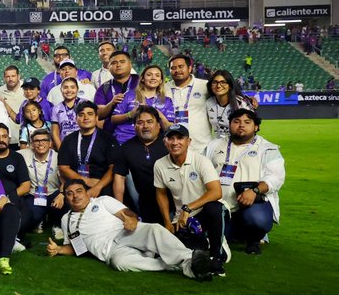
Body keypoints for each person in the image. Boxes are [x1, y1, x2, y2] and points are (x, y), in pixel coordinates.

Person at [47, 179, 216, 280]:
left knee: (154, 229)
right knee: (120, 263)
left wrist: (131, 219)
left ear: (87, 192)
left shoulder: (102, 201)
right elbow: (76, 247)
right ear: (66, 198)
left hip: (124, 232)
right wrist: (59, 249)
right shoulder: (66, 219)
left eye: (79, 191)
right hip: (111, 251)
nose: (75, 196)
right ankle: (187, 266)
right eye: (69, 193)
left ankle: (191, 258)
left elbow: (125, 212)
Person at [203, 109, 284, 255]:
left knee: (257, 219)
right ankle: (233, 232)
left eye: (247, 122)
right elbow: (201, 170)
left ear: (256, 127)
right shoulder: (214, 146)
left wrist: (255, 191)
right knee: (210, 239)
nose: (241, 125)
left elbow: (276, 177)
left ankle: (253, 240)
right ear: (229, 124)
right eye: (236, 121)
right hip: (219, 203)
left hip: (252, 203)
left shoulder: (267, 148)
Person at [153, 124, 227, 273]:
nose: (175, 142)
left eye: (180, 138)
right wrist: (167, 222)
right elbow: (161, 193)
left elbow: (216, 192)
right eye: (171, 138)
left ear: (189, 141)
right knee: (172, 255)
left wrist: (188, 208)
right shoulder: (160, 164)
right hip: (182, 219)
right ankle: (202, 243)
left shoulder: (201, 161)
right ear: (165, 142)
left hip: (204, 212)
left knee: (215, 208)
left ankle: (216, 255)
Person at [111, 106, 169, 223]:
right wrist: (120, 209)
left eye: (150, 122)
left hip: (174, 203)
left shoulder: (169, 143)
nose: (145, 126)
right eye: (140, 123)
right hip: (145, 205)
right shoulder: (126, 148)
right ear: (135, 126)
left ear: (158, 124)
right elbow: (119, 177)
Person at [57, 102, 116, 198]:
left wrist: (98, 187)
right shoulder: (68, 140)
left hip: (102, 184)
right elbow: (63, 167)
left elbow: (113, 168)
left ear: (96, 118)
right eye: (81, 115)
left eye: (90, 114)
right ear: (76, 119)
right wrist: (85, 180)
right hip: (76, 184)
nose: (86, 118)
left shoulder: (108, 139)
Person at [112, 66, 174, 143]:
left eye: (157, 75)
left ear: (161, 81)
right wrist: (130, 115)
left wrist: (159, 115)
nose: (153, 78)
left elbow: (169, 129)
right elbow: (113, 119)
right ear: (142, 79)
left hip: (152, 142)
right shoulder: (129, 95)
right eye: (149, 75)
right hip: (125, 139)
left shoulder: (166, 101)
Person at [22, 129, 63, 233]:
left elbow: (66, 180)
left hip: (54, 193)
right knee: (30, 217)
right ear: (32, 144)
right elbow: (6, 153)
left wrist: (62, 194)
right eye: (37, 141)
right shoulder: (24, 154)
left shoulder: (58, 157)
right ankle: (39, 219)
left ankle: (57, 224)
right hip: (34, 194)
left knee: (64, 204)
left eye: (44, 140)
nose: (40, 143)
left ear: (50, 143)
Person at [166, 54, 211, 147]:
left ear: (190, 68)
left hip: (201, 146)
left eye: (181, 67)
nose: (177, 70)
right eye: (173, 68)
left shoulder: (205, 86)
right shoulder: (164, 89)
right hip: (174, 145)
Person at [204, 70, 258, 141]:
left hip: (240, 144)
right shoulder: (208, 102)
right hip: (220, 144)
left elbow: (252, 127)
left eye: (223, 82)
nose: (218, 85)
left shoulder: (241, 103)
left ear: (230, 86)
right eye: (215, 82)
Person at [94, 50, 140, 133]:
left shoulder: (141, 82)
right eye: (114, 63)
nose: (118, 65)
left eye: (122, 62)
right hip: (112, 134)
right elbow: (99, 114)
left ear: (130, 64)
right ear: (109, 67)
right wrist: (111, 104)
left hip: (139, 132)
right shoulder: (104, 88)